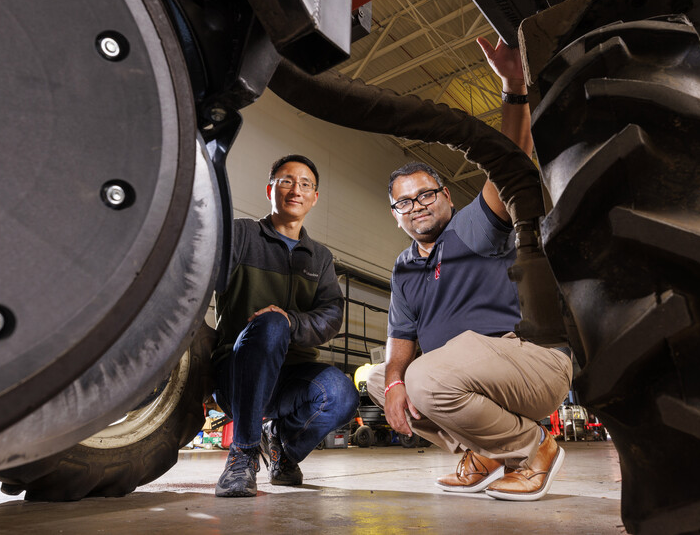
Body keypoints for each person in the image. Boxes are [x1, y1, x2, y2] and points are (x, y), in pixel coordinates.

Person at [366, 38, 573, 501]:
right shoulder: (403, 269)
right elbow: (400, 342)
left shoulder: (473, 227)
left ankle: (534, 448)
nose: (416, 206)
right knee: (385, 379)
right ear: (395, 215)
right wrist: (397, 379)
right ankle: (485, 451)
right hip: (463, 378)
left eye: (425, 194)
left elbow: (506, 159)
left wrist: (513, 86)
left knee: (423, 379)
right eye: (404, 202)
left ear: (448, 197)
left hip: (529, 364)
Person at [211, 154, 359, 497]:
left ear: (315, 197)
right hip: (237, 372)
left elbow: (331, 315)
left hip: (290, 380)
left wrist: (291, 321)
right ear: (270, 189)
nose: (296, 189)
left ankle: (282, 448)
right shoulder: (241, 235)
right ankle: (243, 455)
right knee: (271, 325)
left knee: (341, 393)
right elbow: (198, 279)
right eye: (287, 181)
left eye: (305, 184)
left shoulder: (320, 257)